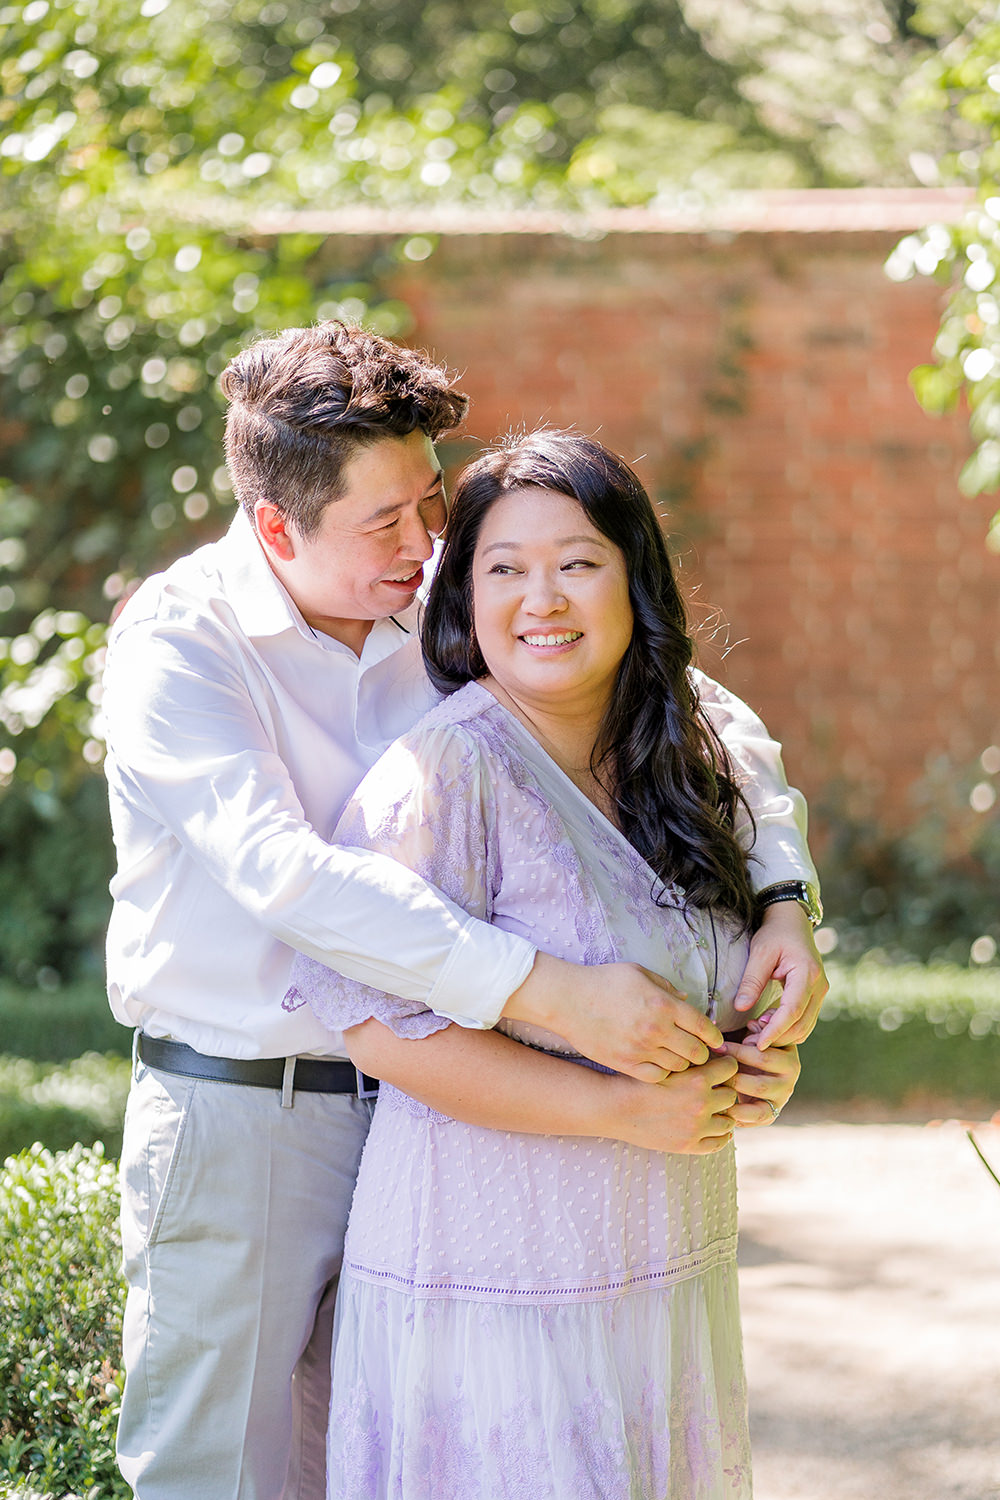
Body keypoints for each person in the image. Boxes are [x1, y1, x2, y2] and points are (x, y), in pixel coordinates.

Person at [101, 322, 825, 1500]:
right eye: (382, 522)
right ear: (275, 527)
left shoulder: (433, 578)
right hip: (250, 1115)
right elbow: (285, 873)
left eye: (428, 501)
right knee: (219, 1479)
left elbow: (697, 705)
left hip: (436, 1130)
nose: (426, 541)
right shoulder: (180, 647)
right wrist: (543, 990)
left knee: (389, 1461)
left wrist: (783, 894)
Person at [291, 429, 801, 1499]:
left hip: (659, 1275)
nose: (543, 599)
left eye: (576, 562)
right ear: (462, 599)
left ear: (634, 578)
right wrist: (614, 1109)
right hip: (491, 1286)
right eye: (504, 569)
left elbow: (755, 809)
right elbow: (377, 1028)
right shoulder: (444, 776)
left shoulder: (689, 747)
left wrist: (751, 1055)